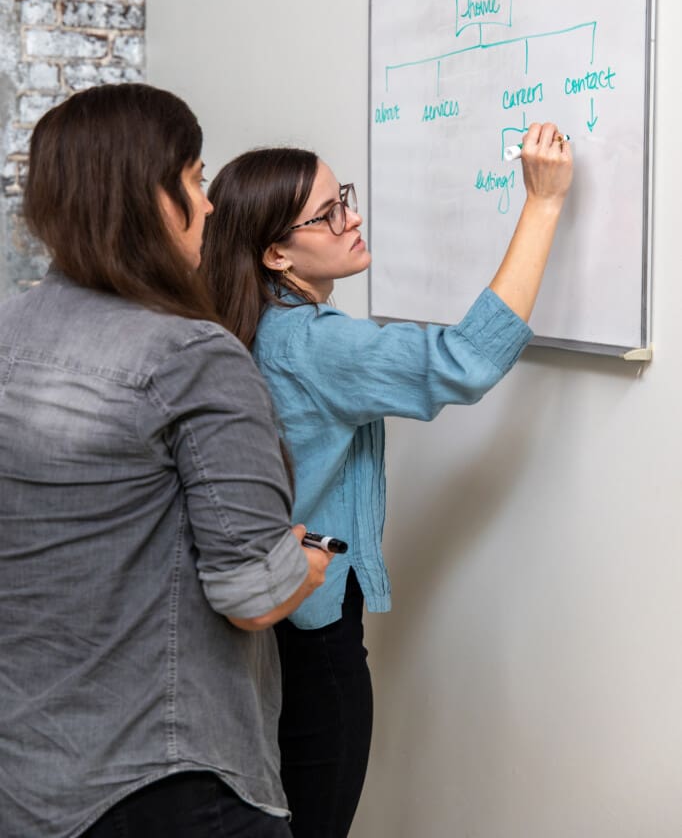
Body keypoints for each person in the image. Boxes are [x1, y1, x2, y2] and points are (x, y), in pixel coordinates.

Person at [200, 121, 573, 838]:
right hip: (311, 637)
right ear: (276, 253)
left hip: (256, 631)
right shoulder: (314, 343)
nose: (354, 216)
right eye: (329, 212)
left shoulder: (237, 324)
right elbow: (464, 360)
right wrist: (544, 204)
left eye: (345, 196)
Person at [0, 83, 334, 838]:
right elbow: (252, 593)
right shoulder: (190, 356)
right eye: (193, 179)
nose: (210, 205)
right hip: (162, 778)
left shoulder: (8, 329)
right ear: (147, 198)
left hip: (26, 772)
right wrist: (306, 563)